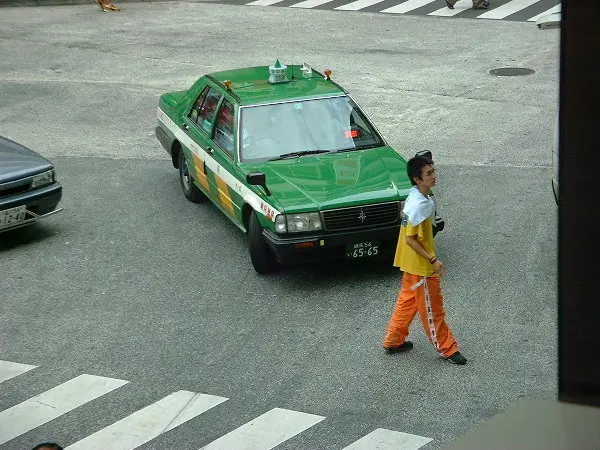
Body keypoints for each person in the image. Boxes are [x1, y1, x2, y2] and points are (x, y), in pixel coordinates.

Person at [383, 154, 467, 365]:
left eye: (433, 171)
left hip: (411, 265)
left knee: (407, 302)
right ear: (417, 179)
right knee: (433, 309)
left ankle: (394, 340)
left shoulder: (416, 197)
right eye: (429, 173)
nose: (433, 176)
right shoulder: (419, 205)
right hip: (421, 267)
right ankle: (447, 348)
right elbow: (411, 239)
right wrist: (433, 260)